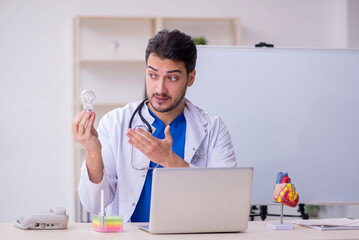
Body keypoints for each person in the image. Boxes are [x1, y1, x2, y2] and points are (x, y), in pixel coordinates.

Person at [72, 29, 237, 223]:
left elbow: (227, 200)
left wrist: (171, 162)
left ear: (190, 78)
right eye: (152, 75)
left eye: (172, 78)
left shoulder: (213, 129)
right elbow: (93, 204)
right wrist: (93, 151)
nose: (160, 89)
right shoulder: (115, 122)